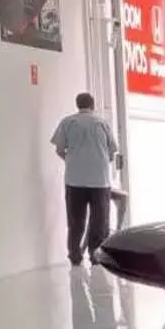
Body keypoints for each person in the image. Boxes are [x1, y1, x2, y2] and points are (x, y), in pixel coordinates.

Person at [50, 93, 119, 266]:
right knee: (99, 221)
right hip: (100, 181)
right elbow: (112, 152)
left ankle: (74, 255)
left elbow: (59, 149)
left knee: (75, 220)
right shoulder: (102, 123)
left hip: (75, 180)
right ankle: (95, 255)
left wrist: (72, 161)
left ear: (77, 105)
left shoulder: (67, 122)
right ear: (92, 105)